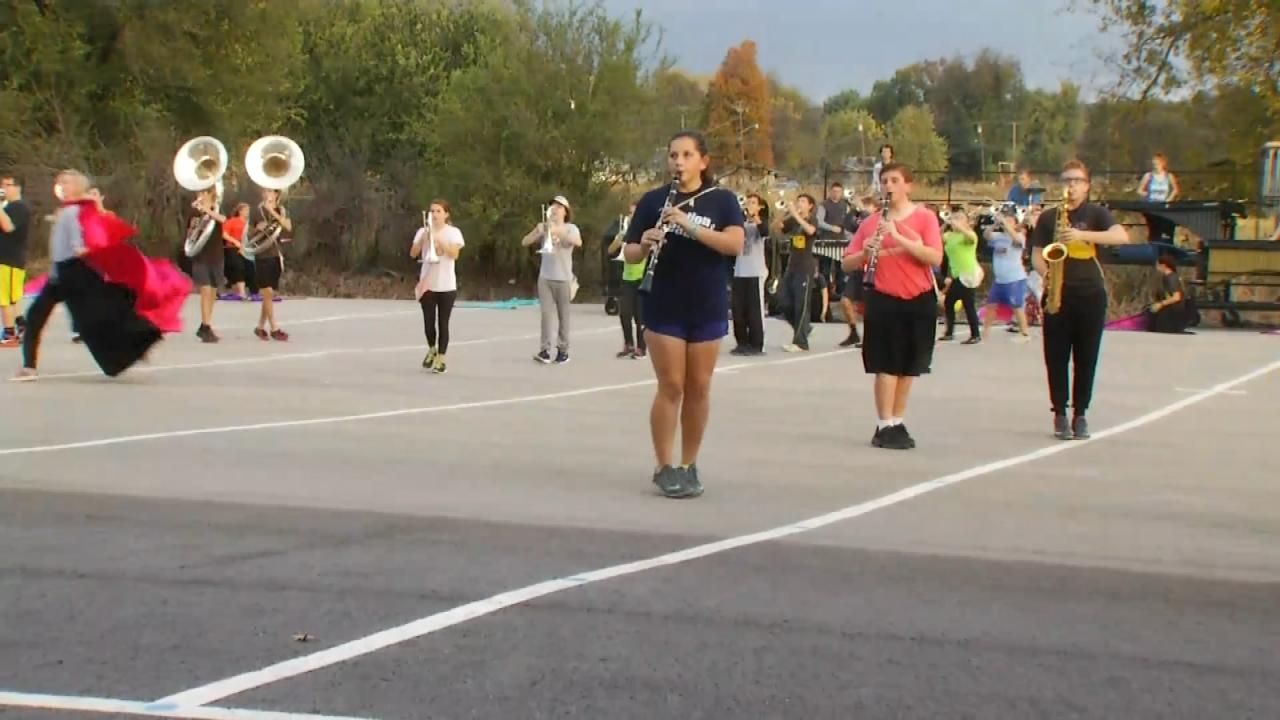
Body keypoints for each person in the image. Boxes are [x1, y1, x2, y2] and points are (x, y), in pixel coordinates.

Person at [623, 130, 745, 499]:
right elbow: (629, 252)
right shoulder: (654, 200)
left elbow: (734, 244)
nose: (679, 162)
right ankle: (664, 466)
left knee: (699, 386)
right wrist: (645, 243)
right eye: (673, 155)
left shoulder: (721, 200)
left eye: (687, 155)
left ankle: (689, 463)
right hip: (664, 301)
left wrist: (688, 225)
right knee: (672, 385)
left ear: (703, 161)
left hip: (707, 302)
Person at [13, 169, 190, 382]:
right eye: (60, 182)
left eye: (67, 182)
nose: (61, 186)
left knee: (92, 318)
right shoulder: (72, 210)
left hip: (72, 272)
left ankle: (142, 339)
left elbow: (82, 241)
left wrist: (86, 246)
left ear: (77, 186)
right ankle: (141, 341)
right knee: (85, 315)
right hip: (60, 275)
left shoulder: (73, 212)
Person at [841, 163, 943, 450]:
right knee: (886, 364)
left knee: (910, 366)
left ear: (908, 186)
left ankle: (897, 420)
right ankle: (884, 423)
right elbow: (847, 263)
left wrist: (898, 237)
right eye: (884, 181)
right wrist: (865, 252)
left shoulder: (925, 218)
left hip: (919, 297)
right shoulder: (870, 223)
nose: (888, 186)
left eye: (895, 180)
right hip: (883, 297)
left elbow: (934, 258)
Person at [1030, 159, 1131, 440]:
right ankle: (1060, 413)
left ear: (1086, 186)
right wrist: (1047, 274)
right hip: (1058, 292)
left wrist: (1080, 234)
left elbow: (1121, 236)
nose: (1071, 186)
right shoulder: (1049, 217)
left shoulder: (1097, 213)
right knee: (1056, 356)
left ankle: (1081, 413)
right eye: (1067, 180)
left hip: (1090, 293)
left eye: (1077, 181)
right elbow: (1037, 254)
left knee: (1086, 356)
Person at [522, 195, 580, 364]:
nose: (555, 209)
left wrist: (559, 232)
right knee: (546, 315)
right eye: (553, 206)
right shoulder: (544, 226)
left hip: (564, 278)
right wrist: (538, 232)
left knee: (564, 316)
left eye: (559, 207)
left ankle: (563, 351)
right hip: (545, 278)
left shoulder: (571, 228)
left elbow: (578, 242)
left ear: (565, 211)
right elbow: (524, 242)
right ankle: (544, 350)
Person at [411, 199, 465, 373]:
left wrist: (440, 242)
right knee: (428, 322)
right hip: (428, 283)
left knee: (443, 322)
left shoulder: (453, 232)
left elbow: (454, 254)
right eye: (432, 211)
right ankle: (431, 349)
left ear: (446, 214)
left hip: (446, 285)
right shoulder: (423, 231)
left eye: (438, 211)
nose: (434, 214)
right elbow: (413, 253)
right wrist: (423, 241)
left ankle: (441, 358)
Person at [777, 194, 818, 352]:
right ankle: (804, 328)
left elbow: (810, 231)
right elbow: (778, 228)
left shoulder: (812, 219)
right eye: (798, 201)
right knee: (783, 301)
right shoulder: (794, 220)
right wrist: (783, 213)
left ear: (810, 206)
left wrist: (796, 215)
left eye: (803, 201)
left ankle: (800, 342)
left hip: (805, 267)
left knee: (801, 305)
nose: (799, 204)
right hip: (791, 266)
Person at [981, 211, 1031, 341]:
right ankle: (985, 332)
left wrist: (1005, 223)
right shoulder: (997, 236)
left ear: (1015, 224)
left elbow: (1017, 240)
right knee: (991, 304)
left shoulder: (1019, 236)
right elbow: (986, 235)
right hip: (999, 280)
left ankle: (1025, 333)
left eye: (1010, 221)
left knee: (1017, 306)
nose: (1006, 223)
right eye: (1005, 220)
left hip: (1015, 278)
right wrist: (995, 224)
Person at [186, 187, 226, 342]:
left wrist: (207, 211)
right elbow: (189, 234)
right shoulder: (194, 211)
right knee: (206, 289)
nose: (201, 195)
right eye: (199, 192)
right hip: (200, 255)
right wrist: (196, 222)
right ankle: (206, 327)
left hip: (216, 254)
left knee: (213, 292)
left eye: (204, 192)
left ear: (211, 194)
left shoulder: (217, 208)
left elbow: (223, 219)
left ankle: (205, 325)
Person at [606, 202, 646, 359]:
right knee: (625, 313)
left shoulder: (645, 232)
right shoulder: (626, 232)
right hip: (627, 277)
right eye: (630, 213)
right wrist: (619, 240)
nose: (631, 216)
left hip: (642, 277)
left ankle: (641, 347)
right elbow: (610, 251)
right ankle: (628, 344)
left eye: (634, 213)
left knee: (640, 316)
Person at [729, 193, 768, 356]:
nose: (749, 205)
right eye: (748, 202)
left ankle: (756, 344)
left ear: (760, 207)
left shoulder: (761, 223)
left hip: (755, 271)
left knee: (754, 311)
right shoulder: (740, 224)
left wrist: (755, 217)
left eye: (753, 203)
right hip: (739, 271)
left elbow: (765, 232)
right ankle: (741, 342)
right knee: (738, 310)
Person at [251, 189, 291, 341]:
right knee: (266, 291)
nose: (266, 193)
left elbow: (288, 226)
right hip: (262, 255)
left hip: (275, 254)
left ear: (276, 194)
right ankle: (274, 328)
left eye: (270, 191)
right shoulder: (258, 211)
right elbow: (248, 233)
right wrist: (256, 229)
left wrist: (272, 212)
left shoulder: (281, 210)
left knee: (269, 294)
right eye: (265, 191)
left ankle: (260, 327)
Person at [938, 208, 982, 344]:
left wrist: (961, 227)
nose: (956, 220)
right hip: (956, 274)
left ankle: (974, 334)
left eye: (960, 218)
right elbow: (936, 237)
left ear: (966, 221)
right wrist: (945, 223)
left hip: (968, 274)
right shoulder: (949, 235)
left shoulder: (969, 234)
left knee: (967, 304)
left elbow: (971, 239)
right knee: (950, 302)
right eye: (954, 217)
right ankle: (950, 332)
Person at [0, 174, 32, 347]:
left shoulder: (19, 207)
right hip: (6, 259)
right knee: (12, 298)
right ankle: (21, 325)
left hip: (10, 259)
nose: (4, 188)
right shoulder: (8, 207)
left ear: (18, 187)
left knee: (4, 300)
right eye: (2, 185)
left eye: (8, 185)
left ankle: (9, 334)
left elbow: (8, 227)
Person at [1146, 253, 1188, 333]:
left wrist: (1161, 304)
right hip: (1170, 309)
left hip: (1173, 311)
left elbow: (1177, 297)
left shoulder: (1172, 278)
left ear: (1163, 265)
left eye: (1157, 265)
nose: (1156, 267)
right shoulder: (1167, 277)